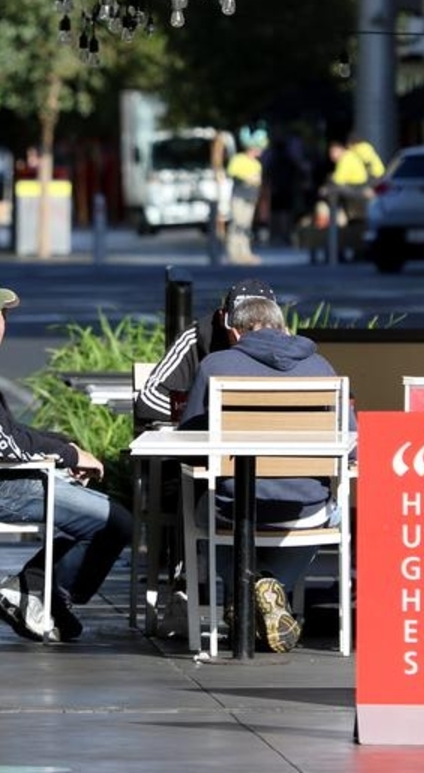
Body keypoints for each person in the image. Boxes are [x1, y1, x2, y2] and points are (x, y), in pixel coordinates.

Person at [0, 273, 133, 643]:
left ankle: (39, 591)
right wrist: (67, 455)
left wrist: (63, 447)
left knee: (97, 515)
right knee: (116, 522)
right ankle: (39, 591)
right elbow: (4, 444)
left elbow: (4, 433)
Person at [178, 294, 349, 652]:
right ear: (284, 329)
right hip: (306, 509)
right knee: (329, 511)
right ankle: (271, 587)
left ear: (235, 333)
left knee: (203, 507)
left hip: (232, 506)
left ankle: (247, 593)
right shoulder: (321, 367)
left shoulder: (215, 365)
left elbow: (190, 443)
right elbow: (352, 443)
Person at [134, 278, 277, 425]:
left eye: (263, 326)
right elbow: (149, 399)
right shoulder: (195, 340)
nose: (249, 335)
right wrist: (213, 417)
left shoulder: (286, 351)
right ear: (222, 318)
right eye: (240, 325)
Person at [225, 126, 267, 265]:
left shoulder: (257, 164)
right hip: (239, 196)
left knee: (246, 225)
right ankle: (233, 252)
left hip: (251, 197)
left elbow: (258, 180)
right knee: (237, 224)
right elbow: (231, 173)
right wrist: (246, 178)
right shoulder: (238, 159)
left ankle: (245, 252)